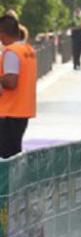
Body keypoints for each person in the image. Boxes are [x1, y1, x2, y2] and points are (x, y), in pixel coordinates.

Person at [0, 15, 37, 158]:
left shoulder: (11, 52)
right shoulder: (28, 50)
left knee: (6, 156)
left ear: (2, 34)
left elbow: (11, 82)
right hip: (22, 110)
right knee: (14, 154)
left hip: (9, 113)